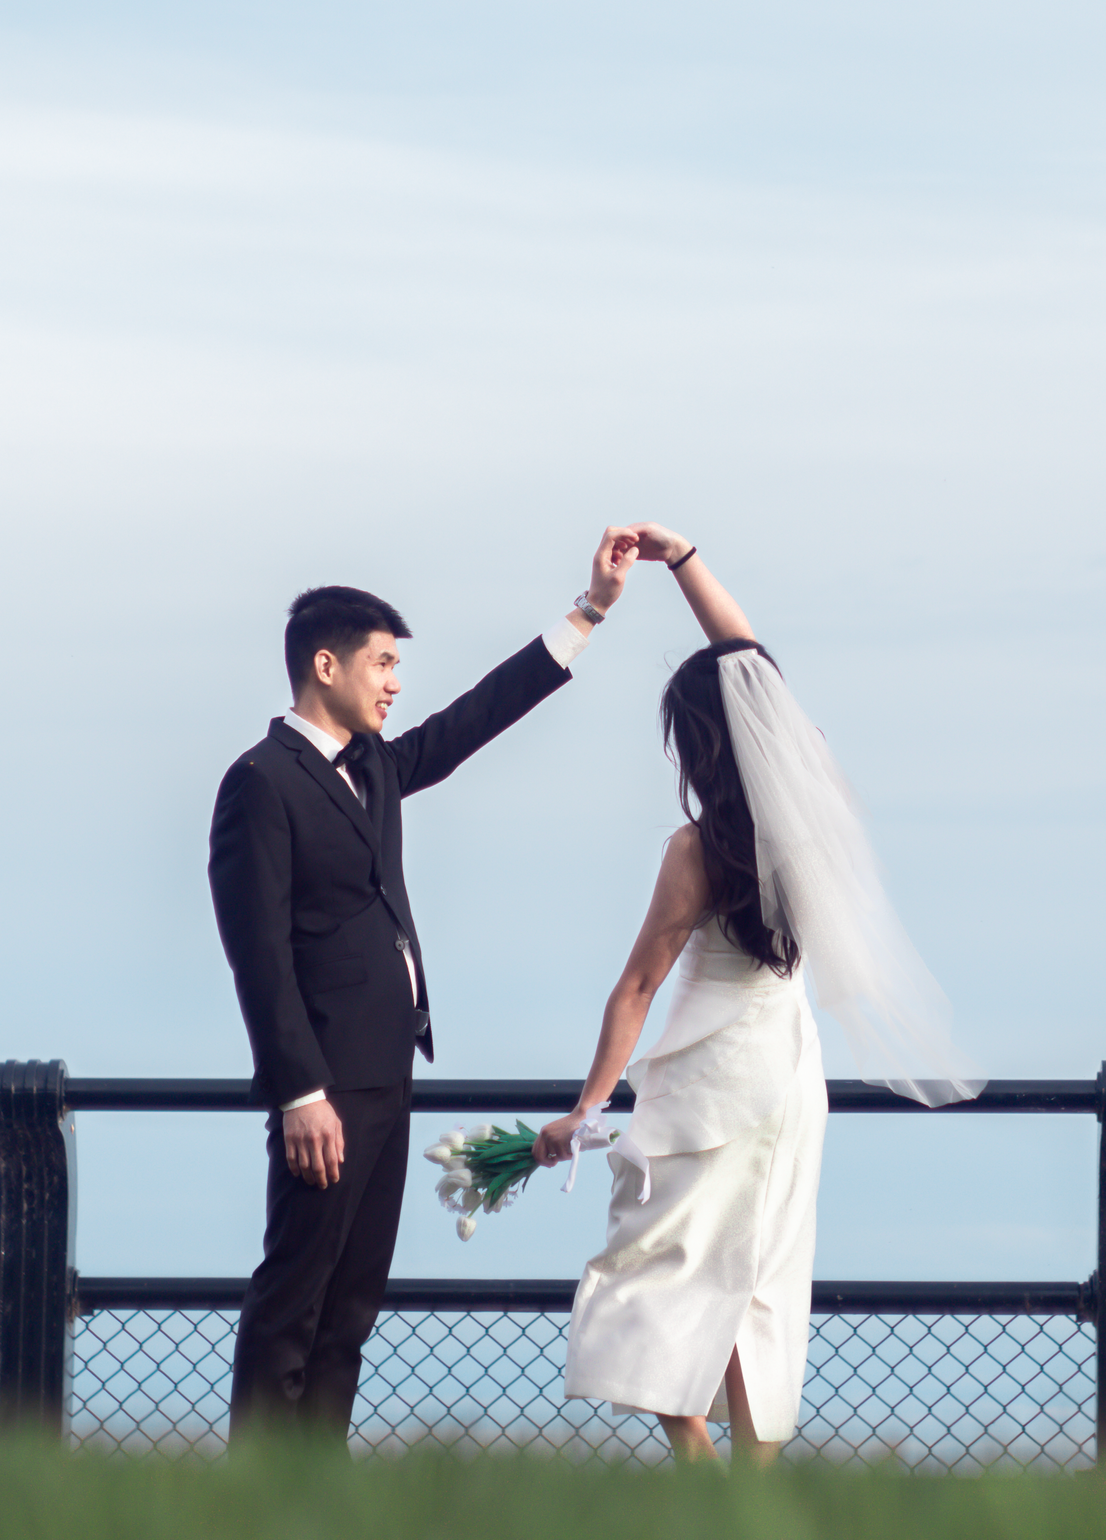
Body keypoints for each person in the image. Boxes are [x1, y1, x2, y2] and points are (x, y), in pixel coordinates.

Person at [533, 524, 983, 1467]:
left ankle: (698, 1466)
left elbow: (640, 982)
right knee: (761, 1278)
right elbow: (749, 664)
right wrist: (686, 558)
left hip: (712, 1076)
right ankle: (751, 1491)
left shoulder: (695, 852)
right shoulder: (815, 809)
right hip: (787, 1071)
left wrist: (586, 1105)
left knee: (652, 1266)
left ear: (697, 743)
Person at [209, 530, 637, 1447]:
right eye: (382, 662)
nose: (395, 681)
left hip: (387, 1068)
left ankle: (314, 1492)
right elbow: (259, 954)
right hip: (323, 1084)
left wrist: (588, 610)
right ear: (325, 665)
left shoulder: (373, 767)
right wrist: (299, 1091)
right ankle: (251, 1494)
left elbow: (472, 720)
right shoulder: (259, 783)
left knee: (352, 1304)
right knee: (295, 1293)